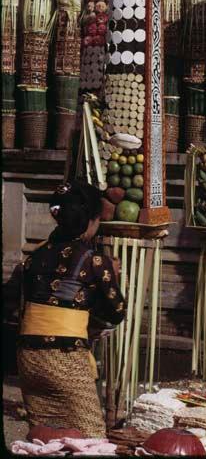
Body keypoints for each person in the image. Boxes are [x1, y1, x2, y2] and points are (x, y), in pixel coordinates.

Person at [17, 180, 126, 438]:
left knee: (45, 435)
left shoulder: (34, 256)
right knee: (90, 438)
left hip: (28, 358)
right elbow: (117, 312)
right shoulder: (94, 260)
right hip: (64, 357)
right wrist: (113, 277)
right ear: (90, 220)